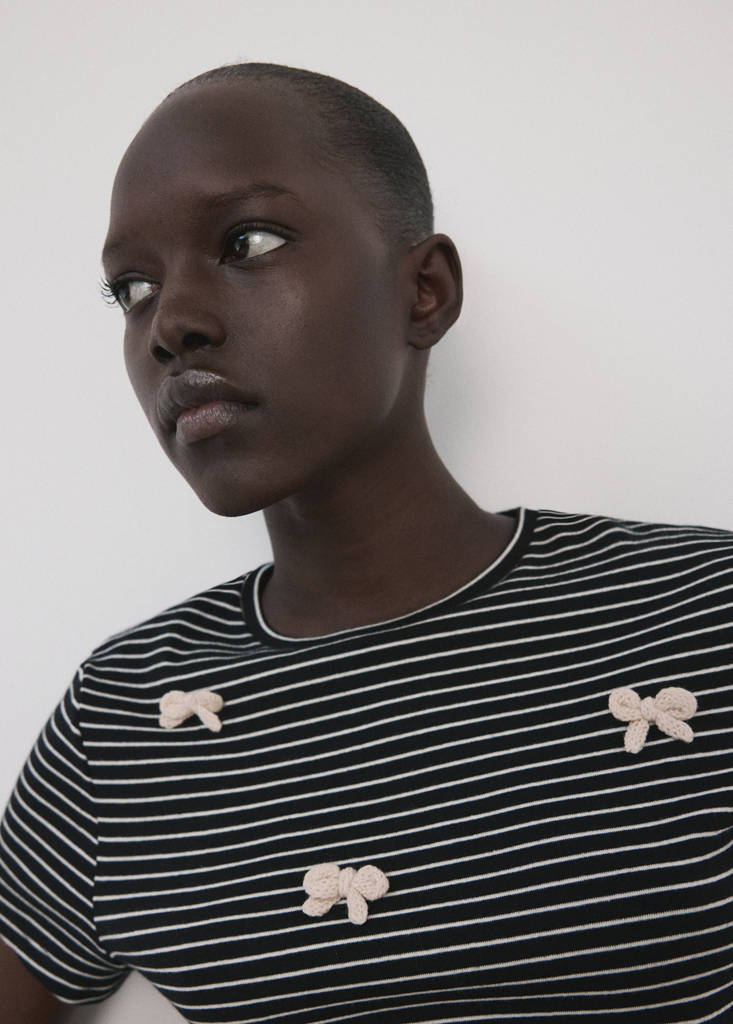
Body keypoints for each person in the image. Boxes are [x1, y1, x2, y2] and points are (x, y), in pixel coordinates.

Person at [1, 63, 732, 1024]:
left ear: (423, 291)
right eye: (132, 289)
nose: (171, 325)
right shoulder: (126, 720)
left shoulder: (700, 610)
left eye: (246, 242)